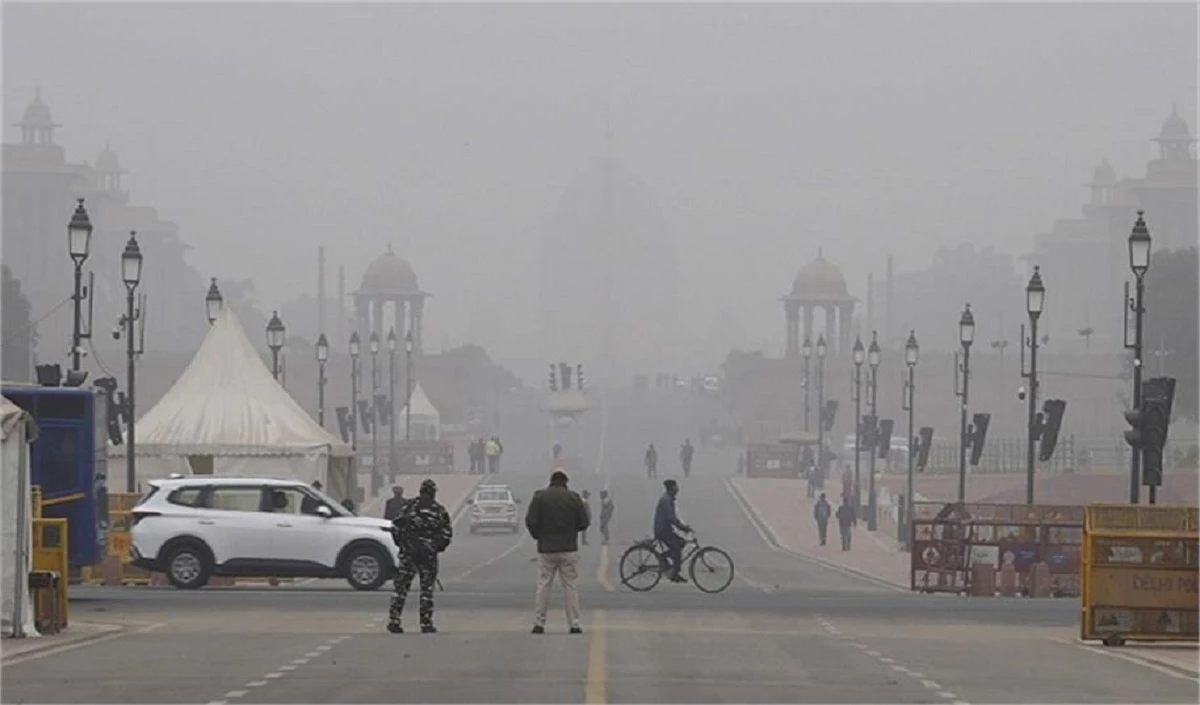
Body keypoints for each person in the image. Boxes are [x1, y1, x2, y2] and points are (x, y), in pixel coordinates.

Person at [525, 469, 589, 634]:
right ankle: (574, 623)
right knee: (570, 586)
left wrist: (538, 536)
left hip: (546, 548)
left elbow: (531, 520)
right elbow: (584, 522)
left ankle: (539, 623)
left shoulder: (540, 497)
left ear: (551, 482)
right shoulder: (573, 498)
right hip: (568, 548)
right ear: (565, 483)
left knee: (543, 585)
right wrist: (572, 530)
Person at [387, 479, 453, 634]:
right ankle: (426, 623)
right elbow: (447, 534)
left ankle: (394, 620)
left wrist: (403, 545)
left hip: (408, 554)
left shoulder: (409, 507)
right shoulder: (438, 510)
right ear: (434, 492)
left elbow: (395, 528)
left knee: (401, 589)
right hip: (428, 557)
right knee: (426, 590)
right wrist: (434, 547)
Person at [654, 479, 691, 582]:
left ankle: (664, 559)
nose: (677, 488)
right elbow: (671, 518)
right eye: (676, 486)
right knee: (677, 549)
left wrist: (682, 527)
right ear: (672, 488)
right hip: (662, 530)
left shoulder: (668, 499)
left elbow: (673, 518)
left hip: (665, 529)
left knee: (681, 542)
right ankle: (674, 573)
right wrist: (683, 528)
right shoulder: (666, 500)